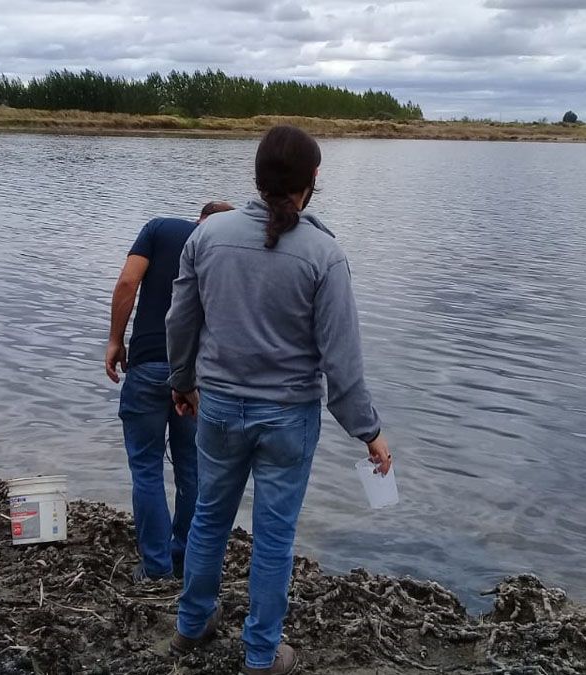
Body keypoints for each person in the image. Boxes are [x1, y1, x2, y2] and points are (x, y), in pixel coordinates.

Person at [165, 126, 392, 675]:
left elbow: (180, 322)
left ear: (258, 175)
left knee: (208, 521)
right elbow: (342, 364)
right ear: (313, 180)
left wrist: (181, 382)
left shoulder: (208, 236)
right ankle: (262, 655)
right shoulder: (324, 254)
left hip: (217, 407)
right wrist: (369, 432)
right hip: (289, 418)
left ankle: (192, 625)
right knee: (273, 538)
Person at [106, 200, 235, 581]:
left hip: (147, 364)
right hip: (197, 377)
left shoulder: (160, 229)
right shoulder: (229, 249)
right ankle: (184, 558)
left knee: (146, 468)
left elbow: (128, 282)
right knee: (192, 470)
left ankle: (156, 566)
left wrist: (115, 339)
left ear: (200, 217)